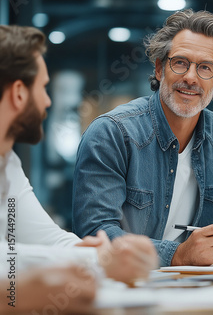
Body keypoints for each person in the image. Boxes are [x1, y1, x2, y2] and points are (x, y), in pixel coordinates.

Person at [73, 9, 213, 267]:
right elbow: (97, 233)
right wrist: (178, 254)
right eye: (180, 62)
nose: (191, 77)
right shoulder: (111, 133)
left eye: (205, 68)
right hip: (126, 289)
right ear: (160, 69)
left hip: (194, 289)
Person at [0, 25, 158, 303]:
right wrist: (94, 260)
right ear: (19, 94)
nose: (48, 101)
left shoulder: (8, 161)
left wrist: (97, 252)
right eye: (43, 87)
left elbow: (42, 237)